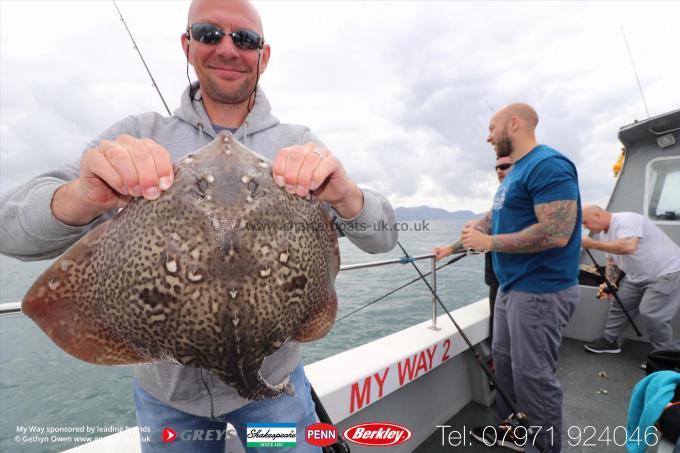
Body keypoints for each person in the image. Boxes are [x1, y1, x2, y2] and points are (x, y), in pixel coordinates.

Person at [0, 1, 397, 452]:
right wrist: (82, 197)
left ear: (263, 55)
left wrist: (347, 197)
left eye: (245, 39)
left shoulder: (298, 143)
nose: (228, 48)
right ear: (187, 44)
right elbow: (7, 230)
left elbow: (385, 234)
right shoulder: (137, 135)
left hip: (276, 394)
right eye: (210, 33)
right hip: (169, 402)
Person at [461, 103, 581, 453]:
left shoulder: (548, 165)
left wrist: (489, 242)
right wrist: (460, 240)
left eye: (492, 127)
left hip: (540, 292)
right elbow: (494, 214)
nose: (487, 136)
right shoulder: (515, 172)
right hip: (511, 290)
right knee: (505, 363)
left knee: (534, 378)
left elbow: (558, 232)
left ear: (513, 123)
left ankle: (544, 447)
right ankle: (514, 431)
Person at [432, 156, 513, 340]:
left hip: (517, 283)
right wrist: (449, 249)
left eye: (505, 166)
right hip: (497, 282)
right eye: (496, 168)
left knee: (517, 341)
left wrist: (484, 238)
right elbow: (483, 229)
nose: (499, 170)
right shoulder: (500, 198)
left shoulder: (521, 198)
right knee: (499, 336)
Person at [581, 205, 680, 355]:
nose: (584, 226)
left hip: (665, 273)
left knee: (651, 313)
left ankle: (663, 356)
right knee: (620, 304)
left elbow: (628, 247)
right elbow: (612, 262)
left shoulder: (627, 219)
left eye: (585, 222)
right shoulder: (603, 236)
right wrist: (609, 285)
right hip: (634, 276)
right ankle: (610, 341)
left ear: (597, 215)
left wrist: (592, 244)